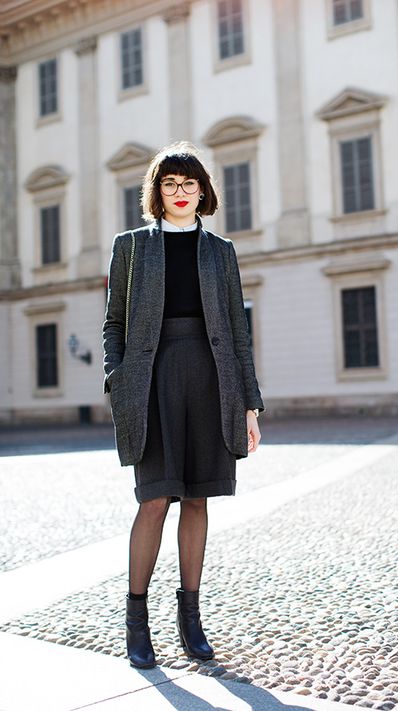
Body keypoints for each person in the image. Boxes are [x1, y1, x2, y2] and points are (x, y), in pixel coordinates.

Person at [102, 141, 265, 668]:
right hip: (150, 380)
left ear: (202, 192)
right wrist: (118, 377)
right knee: (154, 499)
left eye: (188, 184)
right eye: (169, 184)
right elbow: (114, 324)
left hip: (212, 378)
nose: (179, 193)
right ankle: (136, 623)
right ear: (157, 192)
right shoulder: (130, 247)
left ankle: (190, 622)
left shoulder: (221, 252)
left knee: (198, 498)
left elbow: (239, 333)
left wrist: (250, 405)